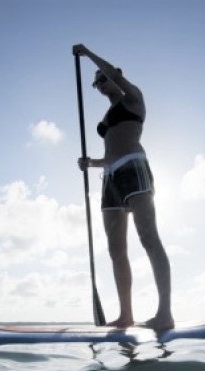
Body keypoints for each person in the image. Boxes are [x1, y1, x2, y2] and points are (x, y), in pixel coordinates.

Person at [73, 44, 174, 330]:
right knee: (116, 250)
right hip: (111, 178)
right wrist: (90, 162)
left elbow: (112, 74)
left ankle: (164, 313)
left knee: (148, 238)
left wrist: (87, 54)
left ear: (114, 75)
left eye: (102, 79)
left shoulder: (133, 98)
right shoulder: (107, 115)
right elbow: (110, 152)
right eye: (95, 84)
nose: (99, 85)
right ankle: (126, 315)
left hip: (134, 167)